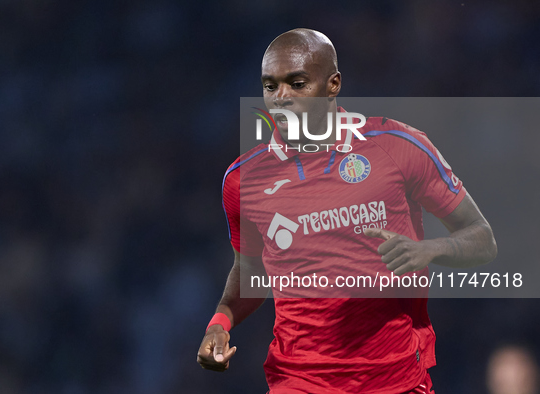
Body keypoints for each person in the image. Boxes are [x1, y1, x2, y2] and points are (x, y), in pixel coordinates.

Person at [197, 28, 497, 393]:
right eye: (270, 86)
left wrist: (428, 250)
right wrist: (219, 322)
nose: (281, 97)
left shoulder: (398, 147)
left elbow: (482, 238)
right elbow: (249, 270)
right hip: (299, 380)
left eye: (297, 83)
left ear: (333, 84)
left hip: (396, 379)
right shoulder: (243, 179)